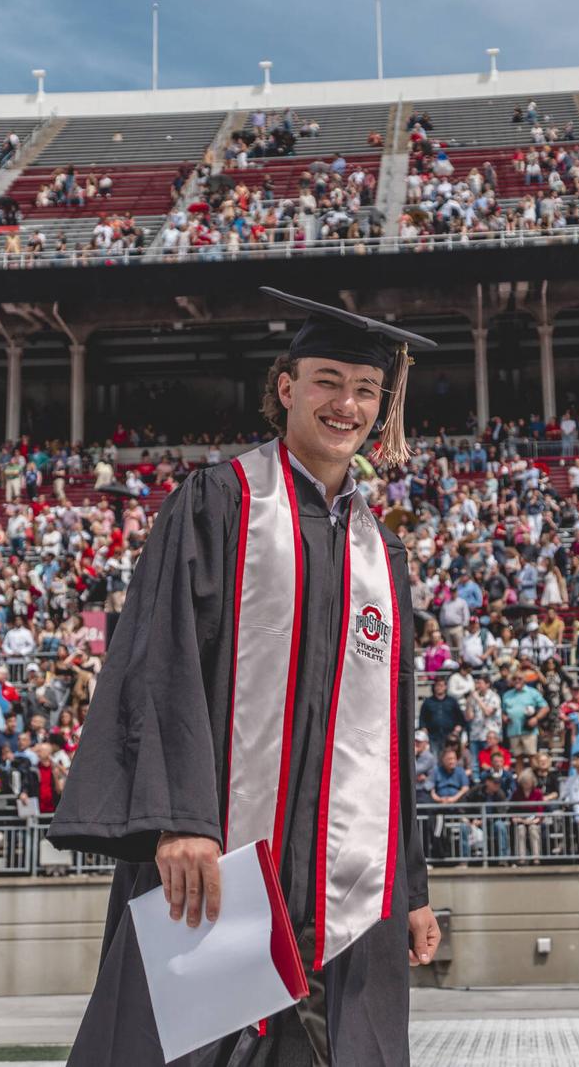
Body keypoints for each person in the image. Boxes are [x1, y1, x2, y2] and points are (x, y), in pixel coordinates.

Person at [49, 287, 441, 1066]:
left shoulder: (379, 550)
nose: (348, 404)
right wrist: (182, 817)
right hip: (220, 856)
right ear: (286, 387)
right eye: (328, 381)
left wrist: (414, 884)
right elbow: (161, 662)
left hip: (347, 876)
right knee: (194, 1047)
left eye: (366, 390)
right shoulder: (221, 502)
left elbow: (391, 732)